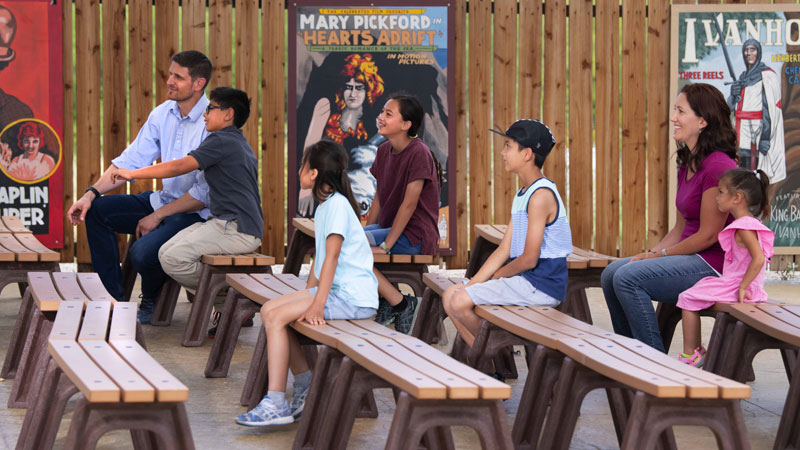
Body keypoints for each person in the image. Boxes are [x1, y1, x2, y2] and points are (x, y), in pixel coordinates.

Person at [235, 140, 378, 427]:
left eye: (302, 165)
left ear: (313, 174)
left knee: (276, 319)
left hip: (352, 298)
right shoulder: (327, 206)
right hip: (339, 292)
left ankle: (276, 402)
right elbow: (319, 258)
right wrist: (307, 293)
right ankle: (305, 384)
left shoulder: (336, 206)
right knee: (270, 311)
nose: (299, 170)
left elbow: (332, 258)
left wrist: (317, 303)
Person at [67, 50, 213, 324]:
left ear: (198, 84)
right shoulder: (162, 113)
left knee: (143, 252)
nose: (169, 81)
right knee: (97, 212)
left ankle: (152, 299)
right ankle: (112, 301)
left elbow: (204, 196)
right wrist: (90, 194)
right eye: (170, 74)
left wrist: (158, 216)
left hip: (195, 213)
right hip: (164, 199)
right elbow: (129, 161)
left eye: (178, 77)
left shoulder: (211, 121)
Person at [112, 87, 263, 336]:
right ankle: (230, 300)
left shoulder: (222, 140)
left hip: (237, 228)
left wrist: (133, 173)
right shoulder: (233, 140)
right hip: (223, 223)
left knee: (174, 258)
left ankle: (231, 301)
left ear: (228, 114)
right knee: (167, 252)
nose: (204, 114)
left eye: (210, 109)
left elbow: (180, 166)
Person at [602, 83, 738, 352]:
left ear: (702, 121)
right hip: (689, 257)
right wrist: (651, 253)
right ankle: (630, 358)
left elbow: (708, 235)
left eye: (680, 111)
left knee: (627, 278)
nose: (673, 118)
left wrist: (659, 257)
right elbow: (681, 227)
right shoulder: (689, 162)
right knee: (611, 274)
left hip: (713, 264)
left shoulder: (718, 166)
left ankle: (653, 363)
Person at [441, 119, 571, 350]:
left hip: (540, 286)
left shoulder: (540, 196)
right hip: (526, 282)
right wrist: (475, 283)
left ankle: (489, 359)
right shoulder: (524, 193)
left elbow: (529, 259)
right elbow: (504, 250)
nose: (503, 152)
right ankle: (490, 361)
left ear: (527, 154)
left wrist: (496, 277)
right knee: (450, 295)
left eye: (508, 146)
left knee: (459, 302)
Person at [677, 169, 774, 367]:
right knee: (694, 293)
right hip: (739, 285)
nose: (716, 197)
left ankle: (691, 355)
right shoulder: (748, 223)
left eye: (720, 192)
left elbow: (758, 259)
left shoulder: (744, 227)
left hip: (739, 288)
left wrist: (743, 287)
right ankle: (697, 352)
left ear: (737, 197)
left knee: (686, 298)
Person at [367, 94, 441, 334]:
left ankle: (399, 303)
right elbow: (378, 198)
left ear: (406, 124)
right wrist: (367, 231)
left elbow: (409, 205)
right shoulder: (383, 151)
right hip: (390, 232)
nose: (381, 117)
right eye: (382, 112)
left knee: (348, 249)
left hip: (413, 237)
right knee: (347, 241)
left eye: (389, 114)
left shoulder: (419, 153)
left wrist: (385, 246)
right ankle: (389, 300)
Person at [299, 53, 386, 218]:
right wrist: (306, 190)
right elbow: (308, 153)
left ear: (369, 89)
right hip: (324, 196)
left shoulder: (373, 126)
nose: (352, 93)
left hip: (359, 201)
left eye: (359, 87)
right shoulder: (325, 111)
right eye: (348, 87)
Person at [727, 39, 785, 183]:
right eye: (746, 50)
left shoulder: (767, 76)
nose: (748, 53)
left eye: (752, 49)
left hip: (758, 133)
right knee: (741, 175)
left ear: (758, 52)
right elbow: (729, 107)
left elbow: (770, 109)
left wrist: (765, 138)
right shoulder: (742, 77)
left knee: (757, 176)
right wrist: (733, 94)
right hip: (741, 133)